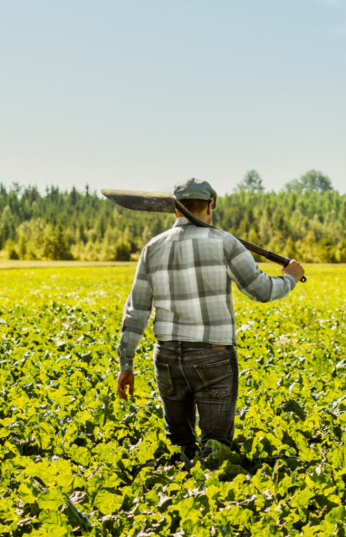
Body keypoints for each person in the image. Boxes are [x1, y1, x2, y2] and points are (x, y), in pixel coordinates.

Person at [115, 178, 304, 459]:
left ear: (175, 210)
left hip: (166, 356)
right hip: (213, 357)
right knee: (216, 448)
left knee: (178, 446)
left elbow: (137, 310)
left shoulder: (153, 247)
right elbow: (261, 290)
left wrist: (126, 363)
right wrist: (290, 277)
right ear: (211, 206)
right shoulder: (224, 242)